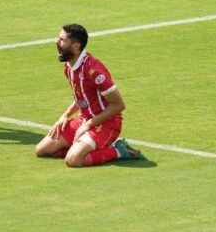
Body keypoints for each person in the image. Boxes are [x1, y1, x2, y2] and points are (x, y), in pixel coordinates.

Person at [35, 24, 143, 167]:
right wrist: (65, 116)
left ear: (76, 46)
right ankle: (83, 149)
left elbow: (118, 105)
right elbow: (82, 97)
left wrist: (88, 124)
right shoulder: (69, 66)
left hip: (107, 124)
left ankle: (120, 151)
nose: (56, 42)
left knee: (73, 160)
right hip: (84, 119)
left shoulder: (94, 72)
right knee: (42, 150)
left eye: (62, 40)